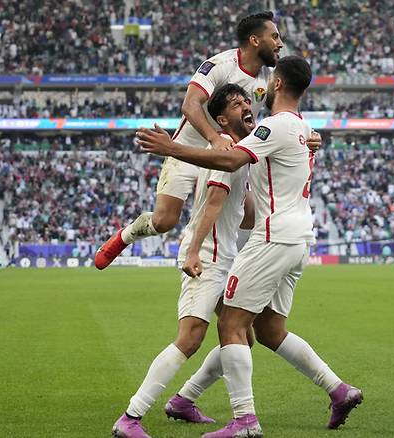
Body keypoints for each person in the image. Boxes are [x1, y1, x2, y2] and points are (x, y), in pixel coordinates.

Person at [137, 56, 362, 437]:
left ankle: (244, 421)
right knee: (270, 330)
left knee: (231, 324)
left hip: (272, 236)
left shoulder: (273, 128)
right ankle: (338, 390)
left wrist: (171, 149)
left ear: (275, 85)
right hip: (300, 236)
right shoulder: (303, 128)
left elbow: (227, 160)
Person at [95, 11, 322, 270]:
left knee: (252, 214)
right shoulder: (220, 65)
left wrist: (308, 134)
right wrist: (214, 138)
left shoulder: (267, 79)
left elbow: (286, 110)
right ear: (255, 40)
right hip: (187, 150)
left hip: (226, 156)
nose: (280, 43)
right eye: (274, 36)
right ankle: (126, 236)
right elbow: (190, 105)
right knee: (164, 221)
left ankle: (239, 266)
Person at [112, 84, 257, 438]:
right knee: (191, 337)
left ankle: (184, 400)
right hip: (207, 257)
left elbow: (246, 215)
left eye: (247, 100)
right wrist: (193, 252)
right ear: (222, 119)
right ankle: (131, 417)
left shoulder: (241, 152)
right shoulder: (225, 150)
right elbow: (212, 205)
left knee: (242, 337)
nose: (246, 106)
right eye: (237, 104)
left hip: (225, 256)